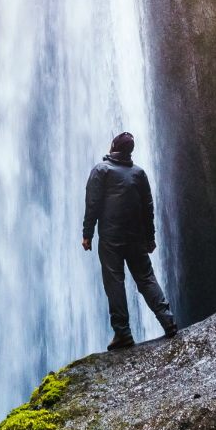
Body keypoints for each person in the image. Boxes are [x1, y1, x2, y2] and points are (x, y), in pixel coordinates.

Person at [82, 132, 180, 350]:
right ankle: (168, 320)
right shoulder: (139, 173)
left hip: (111, 237)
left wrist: (87, 234)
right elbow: (148, 208)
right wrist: (150, 238)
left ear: (113, 147)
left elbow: (92, 204)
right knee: (146, 277)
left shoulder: (101, 170)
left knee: (114, 281)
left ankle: (123, 333)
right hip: (136, 236)